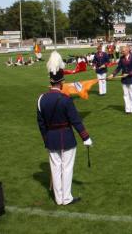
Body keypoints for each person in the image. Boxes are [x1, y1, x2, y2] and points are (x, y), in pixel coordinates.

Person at [37, 51, 92, 205]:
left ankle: (58, 198)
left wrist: (46, 139)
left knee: (55, 169)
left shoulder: (41, 99)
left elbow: (41, 124)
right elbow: (75, 120)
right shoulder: (65, 99)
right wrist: (85, 137)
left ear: (50, 81)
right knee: (67, 169)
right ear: (61, 82)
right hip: (67, 138)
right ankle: (66, 198)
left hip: (51, 139)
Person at [109, 46, 132, 114]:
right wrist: (113, 74)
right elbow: (118, 68)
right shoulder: (121, 58)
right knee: (125, 94)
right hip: (124, 79)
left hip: (131, 79)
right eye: (122, 51)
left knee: (131, 94)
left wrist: (128, 74)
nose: (122, 52)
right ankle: (127, 109)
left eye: (123, 51)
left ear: (127, 50)